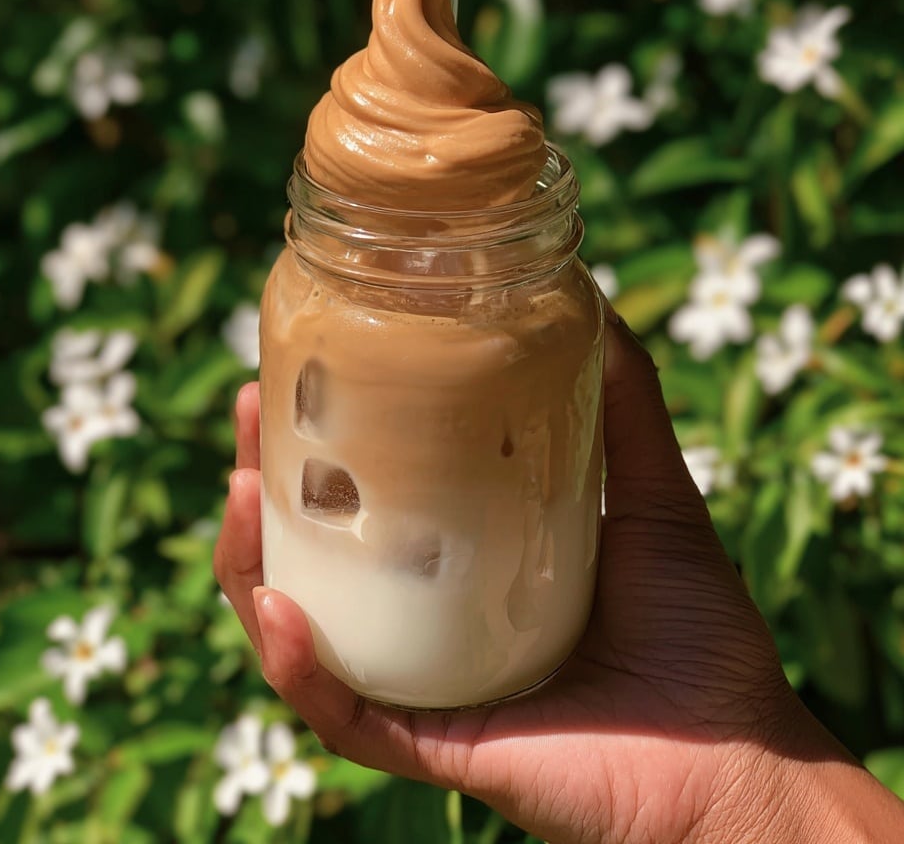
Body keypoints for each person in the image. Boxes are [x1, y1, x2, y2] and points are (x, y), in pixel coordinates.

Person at [215, 309, 904, 843]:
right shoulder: (307, 301)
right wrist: (733, 785)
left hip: (562, 654)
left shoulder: (551, 312)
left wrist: (729, 785)